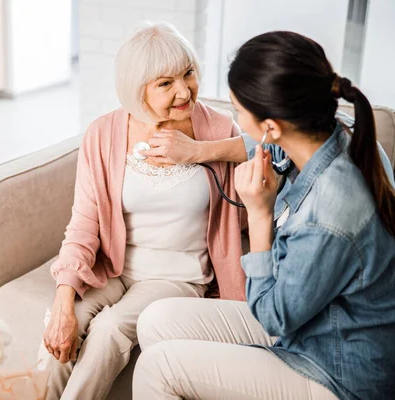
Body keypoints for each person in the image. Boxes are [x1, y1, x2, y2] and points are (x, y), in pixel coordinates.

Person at [133, 31, 395, 400]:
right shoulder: (326, 136)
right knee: (156, 320)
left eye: (238, 111)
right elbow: (254, 143)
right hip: (312, 326)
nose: (235, 118)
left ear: (272, 125)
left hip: (336, 370)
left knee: (157, 367)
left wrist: (259, 214)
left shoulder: (331, 209)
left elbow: (273, 316)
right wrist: (197, 151)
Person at [40, 22, 248, 400]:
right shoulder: (103, 134)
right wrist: (62, 300)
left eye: (188, 73)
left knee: (110, 329)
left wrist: (199, 152)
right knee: (62, 331)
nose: (184, 90)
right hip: (114, 267)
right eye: (165, 83)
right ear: (138, 90)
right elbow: (84, 223)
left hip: (179, 275)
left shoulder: (219, 129)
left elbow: (274, 151)